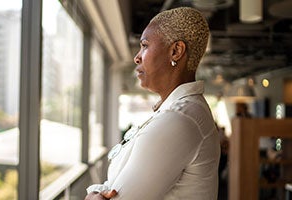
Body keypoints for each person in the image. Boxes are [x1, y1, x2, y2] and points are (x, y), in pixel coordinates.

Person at [85, 7, 220, 200]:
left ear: (176, 51)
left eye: (145, 45)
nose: (137, 57)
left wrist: (92, 196)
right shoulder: (178, 112)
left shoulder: (180, 119)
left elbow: (116, 196)